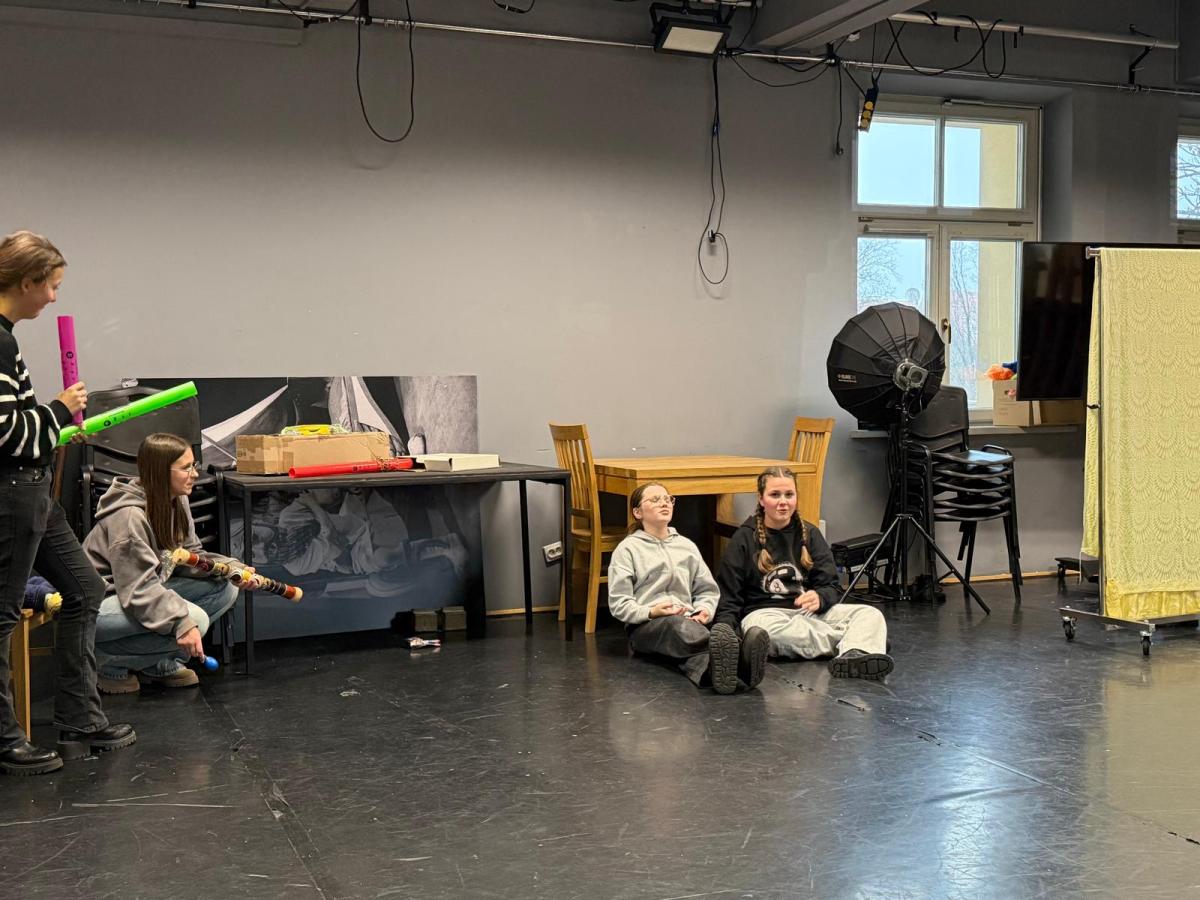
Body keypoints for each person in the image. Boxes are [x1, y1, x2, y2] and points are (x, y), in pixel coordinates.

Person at [0, 230, 135, 775]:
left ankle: (80, 718)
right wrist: (58, 409)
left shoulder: (7, 339)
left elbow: (23, 432)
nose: (54, 297)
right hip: (11, 496)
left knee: (85, 588)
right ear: (26, 281)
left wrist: (56, 430)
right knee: (3, 615)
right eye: (51, 285)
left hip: (32, 491)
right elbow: (7, 433)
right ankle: (6, 740)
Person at [84, 432, 242, 694]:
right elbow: (138, 590)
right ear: (160, 472)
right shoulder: (128, 518)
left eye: (194, 465)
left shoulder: (176, 499)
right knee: (195, 620)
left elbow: (189, 555)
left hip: (138, 590)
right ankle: (106, 662)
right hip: (99, 604)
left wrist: (232, 568)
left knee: (225, 588)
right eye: (186, 468)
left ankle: (154, 664)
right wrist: (181, 623)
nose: (195, 473)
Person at [715, 466, 894, 680]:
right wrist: (727, 634)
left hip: (810, 615)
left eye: (789, 495)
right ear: (761, 499)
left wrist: (820, 597)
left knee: (870, 614)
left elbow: (832, 586)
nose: (783, 502)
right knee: (765, 634)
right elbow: (729, 597)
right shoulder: (744, 538)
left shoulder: (810, 533)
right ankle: (860, 644)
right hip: (766, 617)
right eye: (775, 495)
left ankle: (858, 648)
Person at [607, 482, 770, 694]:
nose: (664, 503)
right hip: (646, 626)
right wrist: (651, 611)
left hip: (688, 622)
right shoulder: (627, 549)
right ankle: (740, 653)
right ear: (637, 512)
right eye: (655, 500)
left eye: (668, 499)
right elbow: (618, 603)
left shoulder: (686, 546)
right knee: (676, 626)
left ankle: (727, 676)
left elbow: (706, 590)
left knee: (693, 652)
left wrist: (703, 610)